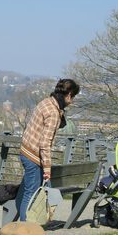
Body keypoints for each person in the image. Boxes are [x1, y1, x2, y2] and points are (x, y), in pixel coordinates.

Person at [15, 79, 80, 221]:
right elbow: (45, 143)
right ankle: (25, 229)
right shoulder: (53, 113)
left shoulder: (47, 102)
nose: (73, 100)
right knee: (31, 193)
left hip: (26, 149)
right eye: (73, 96)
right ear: (68, 95)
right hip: (33, 155)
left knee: (28, 191)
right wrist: (47, 168)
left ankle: (24, 225)